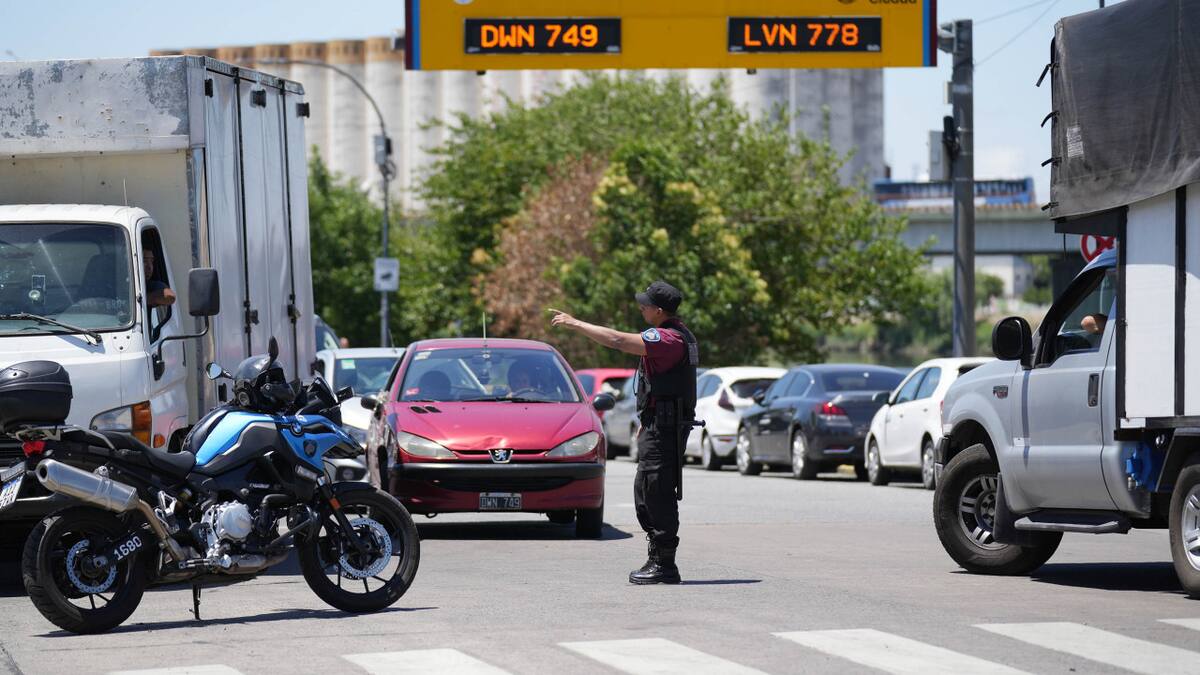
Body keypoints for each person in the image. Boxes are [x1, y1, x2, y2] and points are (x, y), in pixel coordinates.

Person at [551, 280, 699, 585]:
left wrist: (576, 323)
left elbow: (618, 341)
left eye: (645, 304)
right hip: (659, 424)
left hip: (665, 428)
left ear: (659, 311)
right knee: (646, 489)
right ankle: (659, 559)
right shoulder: (674, 335)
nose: (640, 307)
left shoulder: (668, 339)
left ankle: (664, 564)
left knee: (657, 492)